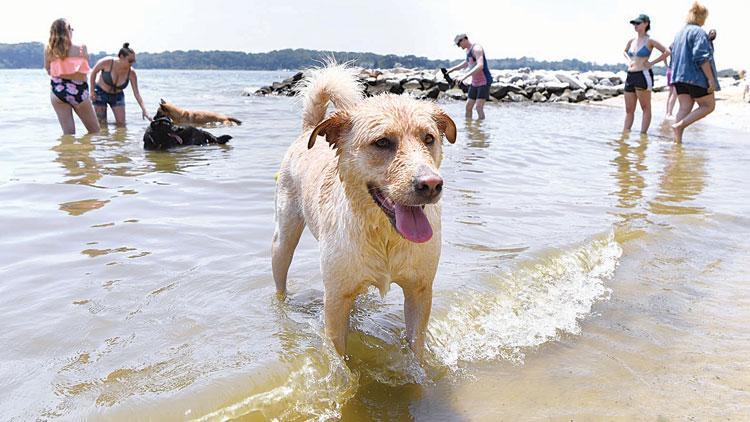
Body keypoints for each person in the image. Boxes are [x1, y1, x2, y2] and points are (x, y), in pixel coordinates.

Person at [670, 2, 719, 143]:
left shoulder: (680, 33)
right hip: (695, 77)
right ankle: (679, 126)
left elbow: (674, 52)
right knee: (708, 106)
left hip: (679, 77)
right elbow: (701, 57)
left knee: (684, 108)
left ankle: (677, 143)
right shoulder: (699, 32)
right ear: (702, 17)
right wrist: (710, 79)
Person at [44, 18, 100, 135]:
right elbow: (85, 70)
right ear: (67, 31)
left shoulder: (49, 50)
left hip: (58, 91)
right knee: (95, 132)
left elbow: (48, 70)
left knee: (68, 134)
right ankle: (83, 153)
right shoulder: (81, 49)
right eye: (72, 29)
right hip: (79, 91)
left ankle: (68, 152)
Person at [622, 14, 670, 134]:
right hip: (630, 76)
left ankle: (643, 136)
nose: (635, 26)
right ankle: (625, 135)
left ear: (646, 24)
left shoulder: (650, 40)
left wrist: (652, 63)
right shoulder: (632, 41)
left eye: (638, 23)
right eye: (634, 24)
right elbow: (624, 51)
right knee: (629, 110)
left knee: (645, 108)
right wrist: (629, 61)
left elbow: (667, 51)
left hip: (643, 75)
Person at [89, 43, 151, 126]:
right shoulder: (107, 62)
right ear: (121, 57)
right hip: (100, 92)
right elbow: (93, 72)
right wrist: (92, 91)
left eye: (134, 61)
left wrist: (144, 110)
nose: (132, 64)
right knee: (101, 124)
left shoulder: (131, 73)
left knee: (121, 124)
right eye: (130, 61)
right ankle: (103, 138)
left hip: (117, 96)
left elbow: (137, 94)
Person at [444, 34, 492, 120]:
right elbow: (467, 62)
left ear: (464, 39)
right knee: (468, 107)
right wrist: (453, 69)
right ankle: (469, 129)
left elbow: (480, 65)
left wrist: (464, 76)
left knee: (478, 107)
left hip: (484, 81)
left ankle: (480, 131)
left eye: (459, 44)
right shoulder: (468, 51)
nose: (459, 46)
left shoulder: (477, 48)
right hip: (475, 82)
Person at [665, 44, 678, 119]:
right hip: (675, 71)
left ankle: (667, 112)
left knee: (670, 93)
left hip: (669, 70)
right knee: (674, 93)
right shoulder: (679, 47)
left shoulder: (671, 47)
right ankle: (669, 113)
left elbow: (664, 55)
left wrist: (666, 66)